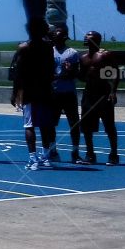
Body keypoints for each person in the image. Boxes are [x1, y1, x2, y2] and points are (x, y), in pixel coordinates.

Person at [11, 18, 57, 171]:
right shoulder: (48, 47)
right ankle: (45, 157)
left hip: (30, 91)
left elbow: (18, 73)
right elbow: (51, 70)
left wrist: (15, 93)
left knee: (29, 125)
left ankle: (33, 158)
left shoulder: (24, 48)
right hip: (45, 90)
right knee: (44, 125)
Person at [80, 31, 119, 164]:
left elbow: (115, 73)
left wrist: (113, 92)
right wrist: (70, 70)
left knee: (109, 126)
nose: (86, 38)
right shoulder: (83, 58)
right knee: (86, 127)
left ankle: (114, 154)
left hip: (103, 94)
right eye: (85, 36)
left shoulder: (105, 55)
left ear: (96, 40)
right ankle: (90, 154)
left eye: (89, 36)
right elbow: (82, 77)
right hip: (88, 95)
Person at [49, 24, 82, 163]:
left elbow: (75, 74)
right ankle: (52, 150)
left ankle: (75, 152)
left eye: (57, 34)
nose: (54, 36)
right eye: (54, 34)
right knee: (51, 123)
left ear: (64, 37)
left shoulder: (72, 53)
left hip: (68, 93)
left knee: (74, 123)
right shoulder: (49, 52)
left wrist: (68, 71)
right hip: (53, 93)